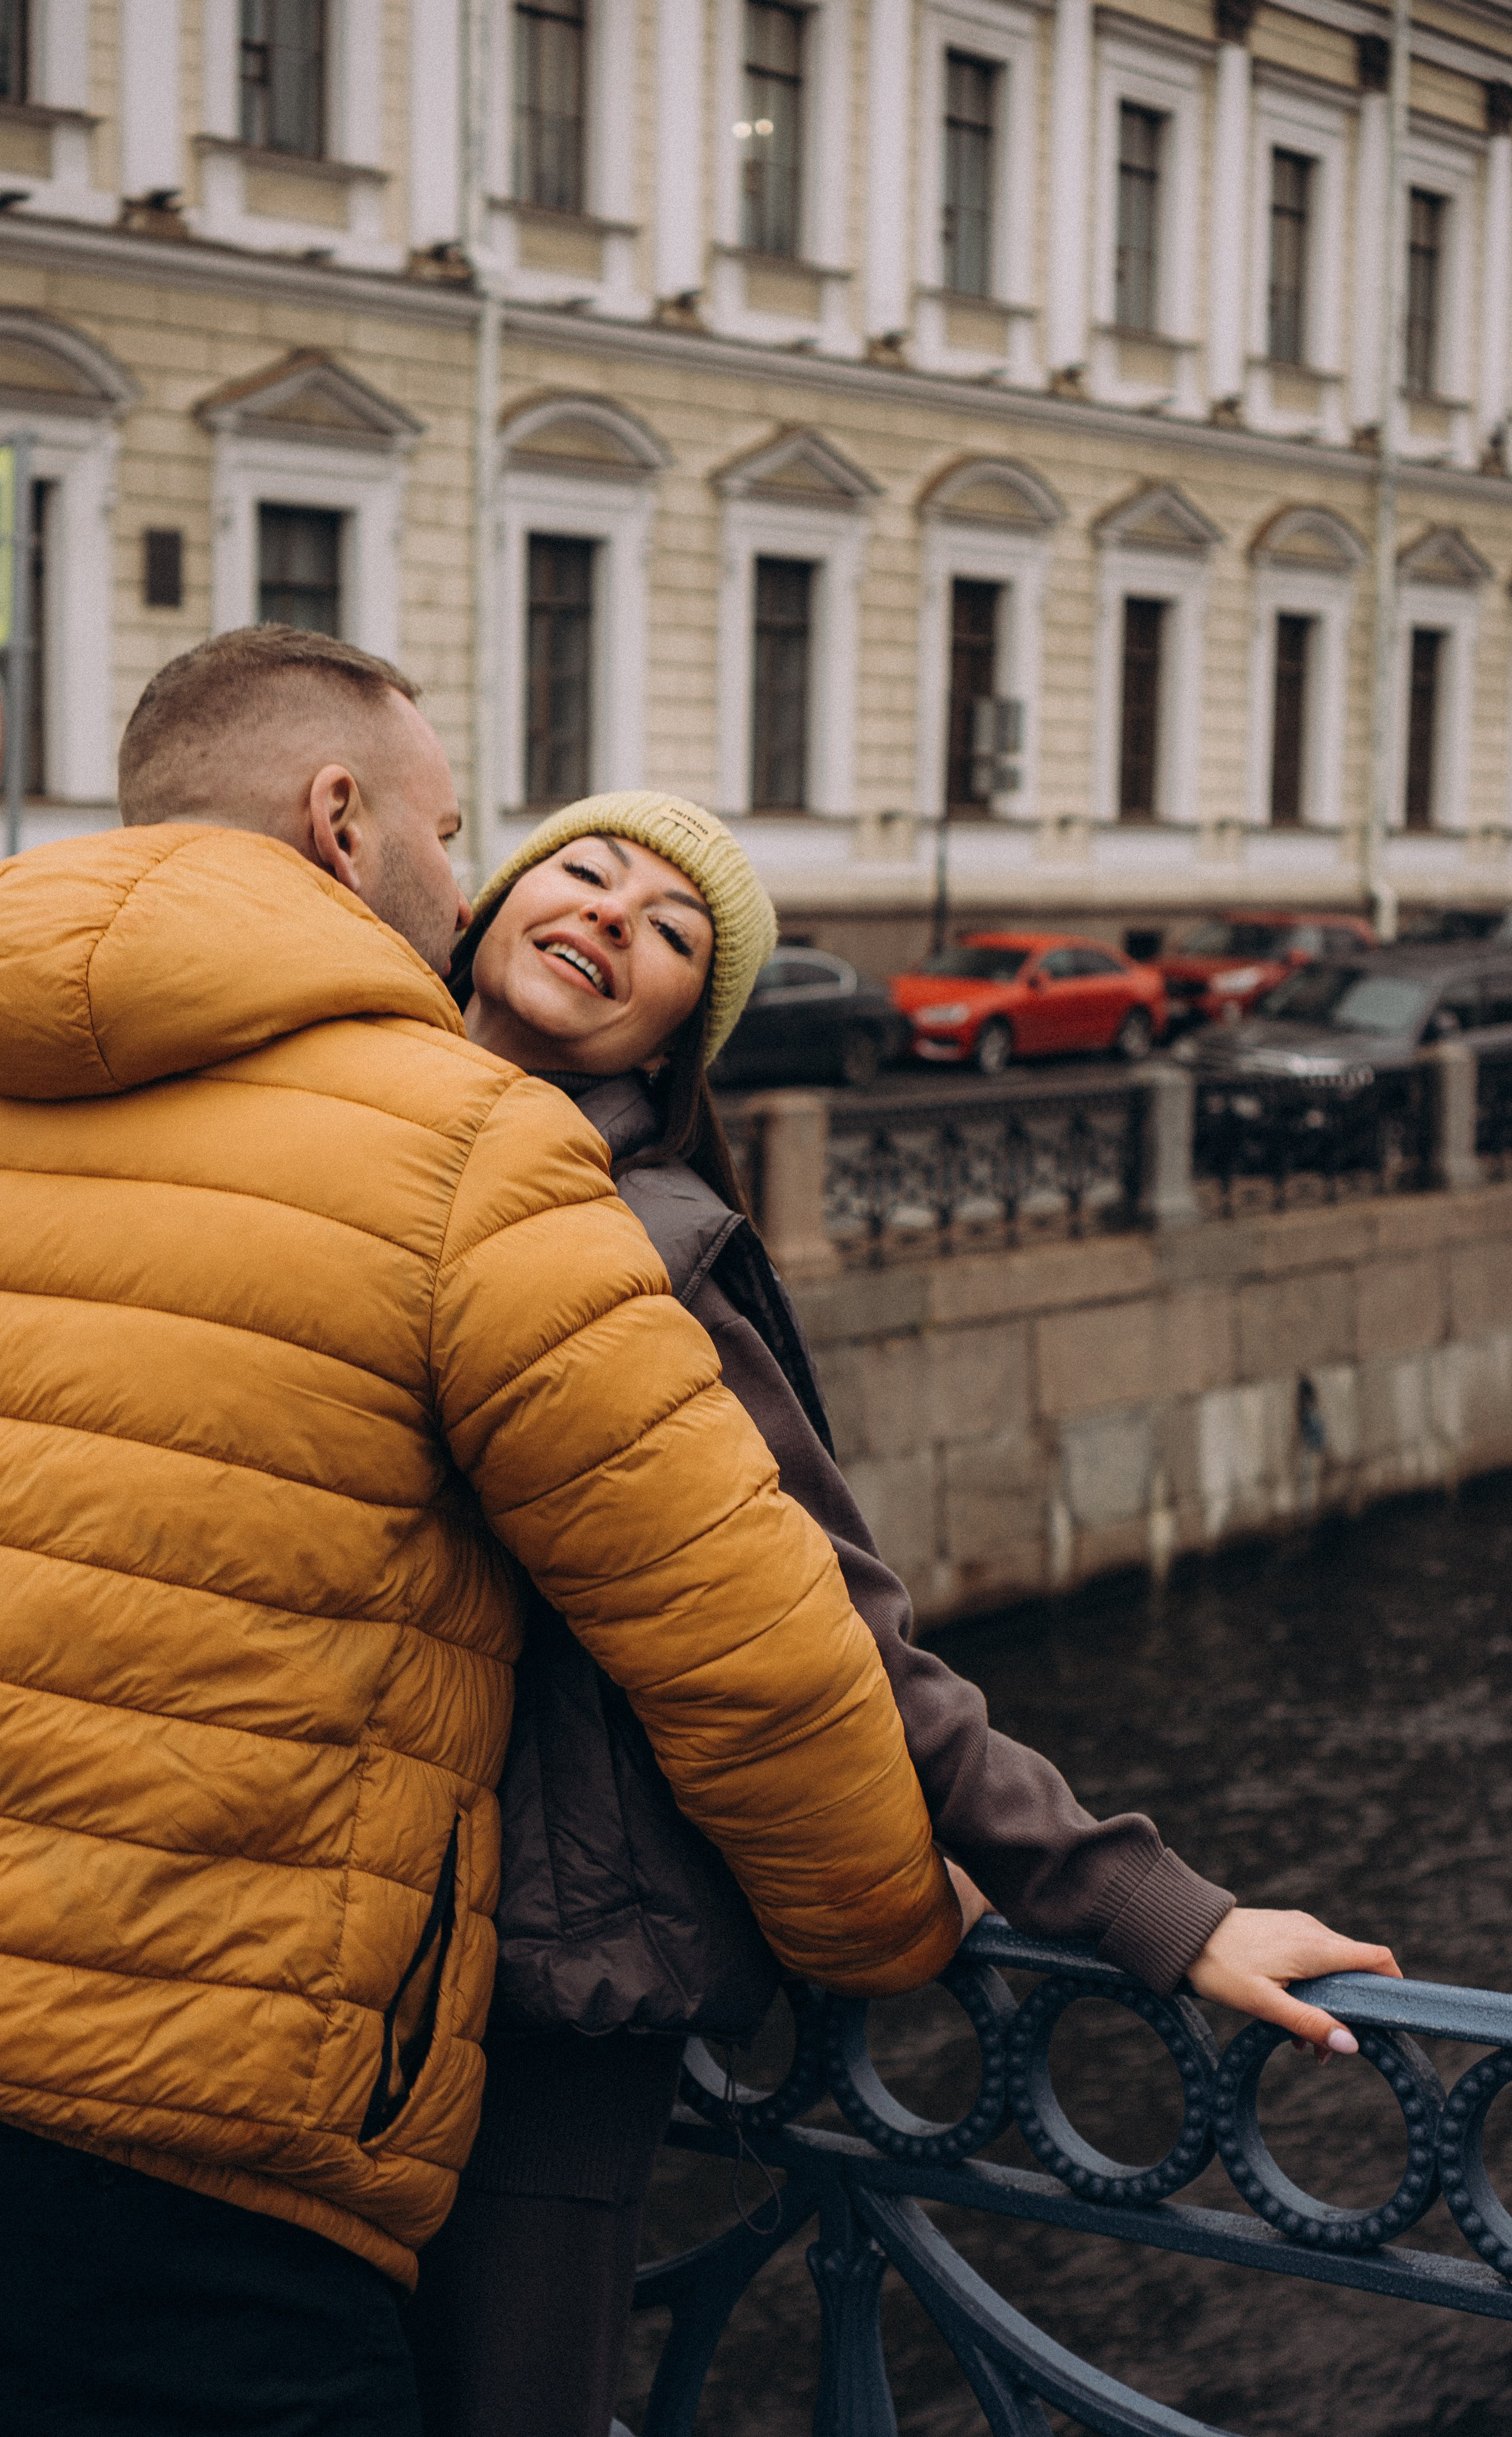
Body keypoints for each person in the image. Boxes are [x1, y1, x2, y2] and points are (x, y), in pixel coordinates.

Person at [0, 630, 983, 2437]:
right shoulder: (473, 1152)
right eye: (464, 837)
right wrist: (887, 1924)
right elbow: (746, 1636)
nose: (465, 889)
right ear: (343, 819)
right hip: (217, 2137)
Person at [405, 791, 1403, 2437]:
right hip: (327, 1923)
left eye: (672, 934)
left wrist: (1155, 1905)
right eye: (585, 870)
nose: (610, 916)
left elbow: (829, 1627)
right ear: (496, 896)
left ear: (678, 1040)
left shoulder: (641, 1244)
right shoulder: (354, 1141)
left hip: (549, 1970)